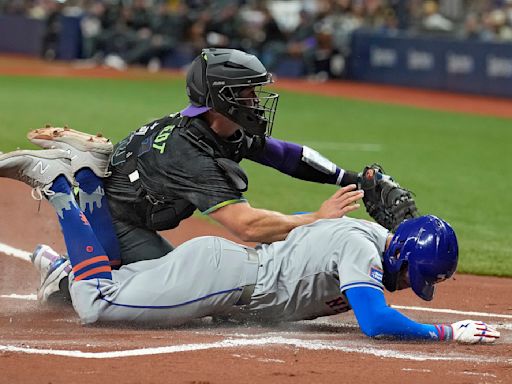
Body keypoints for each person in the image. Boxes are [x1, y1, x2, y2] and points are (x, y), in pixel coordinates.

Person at [0, 149, 499, 343]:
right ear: (401, 256)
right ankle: (60, 187)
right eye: (417, 276)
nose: (413, 287)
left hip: (223, 273)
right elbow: (374, 321)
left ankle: (85, 177)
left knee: (92, 284)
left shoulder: (369, 240)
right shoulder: (362, 249)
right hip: (225, 281)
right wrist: (446, 333)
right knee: (97, 305)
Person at [25, 47, 384, 302]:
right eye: (247, 93)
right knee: (180, 293)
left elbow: (288, 156)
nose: (256, 101)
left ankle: (71, 270)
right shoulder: (190, 155)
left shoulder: (219, 130)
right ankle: (65, 275)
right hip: (113, 219)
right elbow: (247, 226)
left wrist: (350, 179)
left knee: (185, 286)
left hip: (136, 210)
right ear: (220, 99)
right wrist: (316, 220)